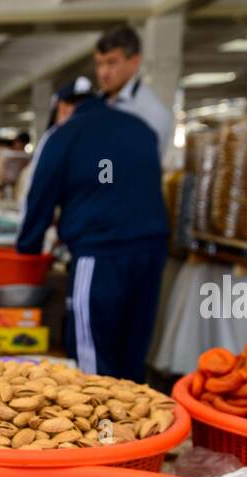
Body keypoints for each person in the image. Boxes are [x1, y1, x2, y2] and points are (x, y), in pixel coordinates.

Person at [14, 79, 168, 382]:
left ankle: (102, 428)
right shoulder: (140, 128)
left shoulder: (64, 134)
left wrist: (28, 247)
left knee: (92, 359)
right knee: (132, 350)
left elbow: (40, 196)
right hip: (151, 251)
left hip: (100, 254)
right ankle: (136, 424)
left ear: (62, 107)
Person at [93, 25, 174, 158]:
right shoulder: (91, 105)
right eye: (99, 64)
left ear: (135, 62)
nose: (103, 73)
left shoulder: (152, 113)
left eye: (111, 63)